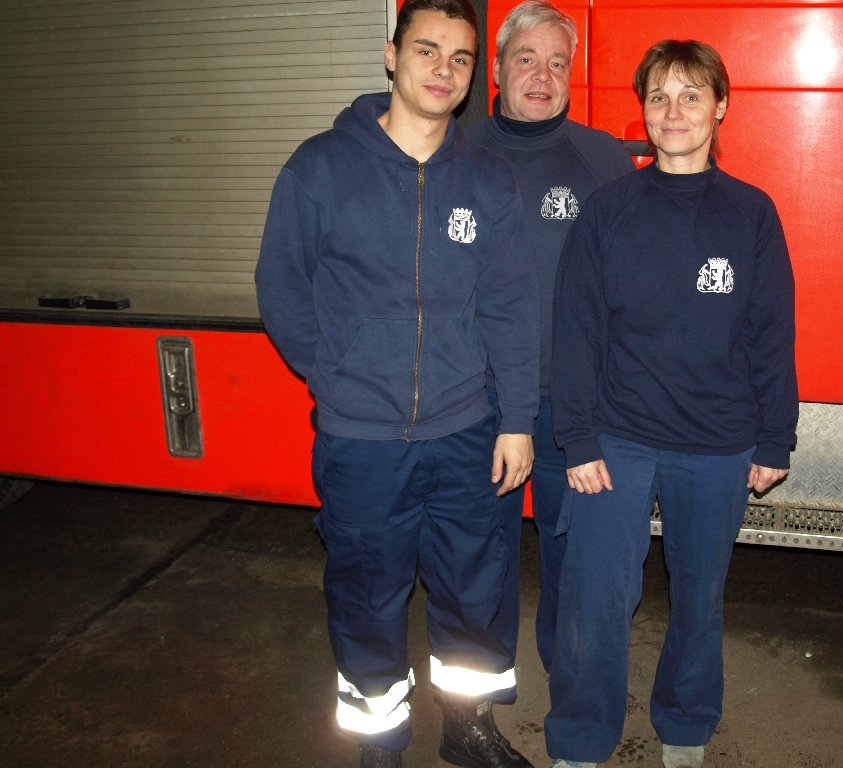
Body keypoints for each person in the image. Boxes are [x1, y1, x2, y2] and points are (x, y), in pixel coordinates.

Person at [254, 0, 541, 766]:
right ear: (391, 55)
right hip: (362, 441)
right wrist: (335, 375)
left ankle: (467, 728)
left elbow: (512, 306)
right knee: (366, 595)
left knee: (474, 593)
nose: (444, 70)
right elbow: (282, 286)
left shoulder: (487, 179)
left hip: (467, 433)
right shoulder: (321, 168)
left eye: (461, 58)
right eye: (427, 50)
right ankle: (379, 745)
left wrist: (516, 418)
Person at [543, 40, 798, 768]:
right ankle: (580, 737)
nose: (674, 111)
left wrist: (774, 437)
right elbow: (577, 330)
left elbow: (771, 331)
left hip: (718, 442)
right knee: (596, 596)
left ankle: (685, 725)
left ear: (720, 107)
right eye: (659, 96)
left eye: (691, 96)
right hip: (618, 438)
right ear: (644, 112)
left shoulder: (751, 214)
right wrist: (578, 438)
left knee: (699, 595)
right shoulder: (608, 210)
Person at [463, 0, 635, 674]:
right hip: (476, 404)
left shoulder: (604, 158)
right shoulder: (455, 153)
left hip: (575, 409)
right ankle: (475, 705)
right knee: (480, 562)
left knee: (576, 564)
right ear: (497, 69)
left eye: (557, 63)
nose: (542, 75)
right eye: (527, 59)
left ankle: (572, 696)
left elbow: (634, 281)